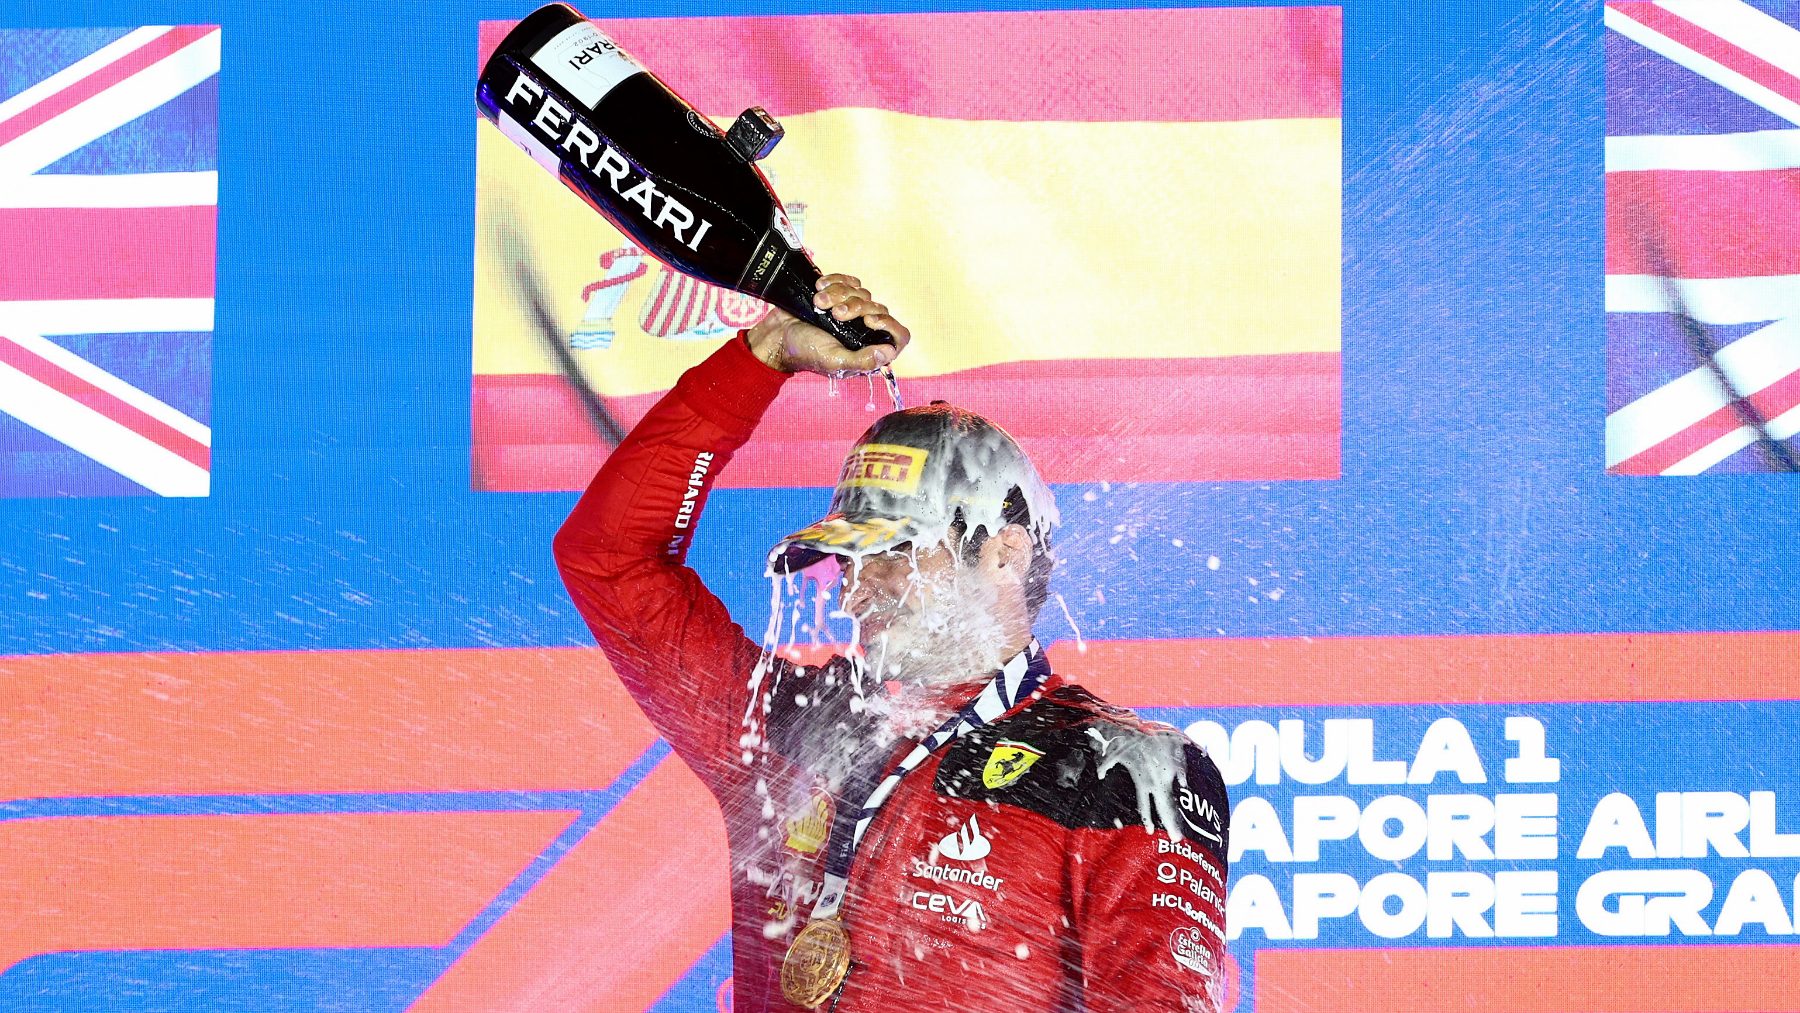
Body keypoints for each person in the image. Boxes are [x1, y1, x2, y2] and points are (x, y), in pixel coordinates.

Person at [553, 275, 1230, 1012]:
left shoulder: (1126, 772)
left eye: (892, 555)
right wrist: (764, 353)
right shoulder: (786, 723)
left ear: (1004, 554)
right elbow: (609, 555)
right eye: (846, 559)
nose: (852, 590)